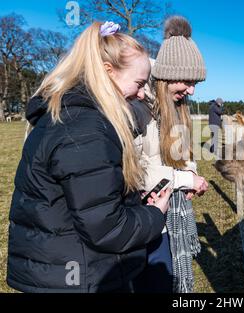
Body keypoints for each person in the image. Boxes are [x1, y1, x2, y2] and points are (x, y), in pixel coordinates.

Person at [7, 21, 172, 293]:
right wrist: (155, 214)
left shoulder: (68, 116)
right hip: (77, 278)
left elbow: (89, 200)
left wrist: (131, 202)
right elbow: (106, 227)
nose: (142, 94)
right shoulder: (86, 130)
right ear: (108, 72)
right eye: (139, 83)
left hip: (59, 269)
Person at [131, 16, 208, 293]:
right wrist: (184, 179)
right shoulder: (138, 104)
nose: (191, 90)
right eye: (187, 81)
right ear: (167, 76)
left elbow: (181, 151)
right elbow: (135, 169)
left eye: (196, 83)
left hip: (163, 221)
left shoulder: (176, 107)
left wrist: (192, 172)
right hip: (138, 218)